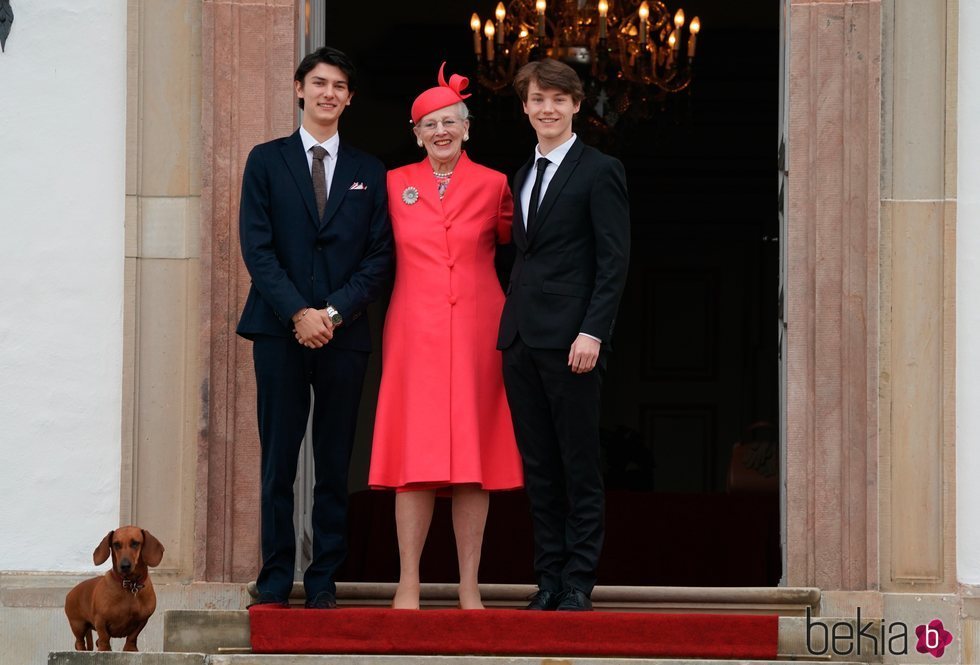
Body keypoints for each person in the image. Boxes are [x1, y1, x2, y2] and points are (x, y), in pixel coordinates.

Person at [237, 46, 393, 609]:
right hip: (279, 330)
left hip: (343, 335)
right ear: (299, 88)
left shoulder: (369, 171)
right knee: (278, 461)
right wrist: (298, 313)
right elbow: (257, 246)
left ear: (350, 98)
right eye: (319, 83)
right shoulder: (265, 160)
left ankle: (323, 578)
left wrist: (329, 314)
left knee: (333, 461)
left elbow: (379, 258)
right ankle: (276, 577)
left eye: (340, 86)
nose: (329, 93)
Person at [368, 63, 523, 610]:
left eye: (450, 121)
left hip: (481, 328)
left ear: (467, 127)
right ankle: (407, 581)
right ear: (415, 133)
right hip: (414, 327)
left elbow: (526, 249)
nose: (441, 131)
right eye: (429, 124)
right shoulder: (392, 183)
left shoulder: (496, 184)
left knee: (471, 460)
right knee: (414, 457)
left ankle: (469, 585)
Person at [498, 59, 630, 611]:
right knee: (538, 469)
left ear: (577, 105)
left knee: (578, 466)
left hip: (573, 343)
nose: (547, 108)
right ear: (525, 107)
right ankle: (547, 578)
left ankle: (578, 581)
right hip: (521, 341)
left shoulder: (600, 170)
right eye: (537, 99)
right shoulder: (519, 174)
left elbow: (614, 260)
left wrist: (592, 333)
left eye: (558, 98)